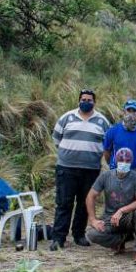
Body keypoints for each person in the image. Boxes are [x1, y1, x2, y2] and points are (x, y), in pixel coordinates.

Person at [50, 88, 111, 251]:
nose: (86, 102)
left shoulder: (102, 121)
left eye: (89, 100)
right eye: (83, 99)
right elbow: (56, 139)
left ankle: (79, 235)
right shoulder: (67, 117)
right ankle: (58, 238)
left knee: (85, 203)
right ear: (79, 100)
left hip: (90, 170)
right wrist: (70, 153)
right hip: (66, 168)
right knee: (64, 203)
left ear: (94, 102)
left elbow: (108, 144)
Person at [85, 148, 136, 264]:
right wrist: (93, 219)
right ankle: (121, 239)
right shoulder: (106, 176)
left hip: (129, 216)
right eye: (121, 160)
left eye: (127, 161)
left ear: (131, 162)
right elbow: (90, 196)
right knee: (92, 234)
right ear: (115, 160)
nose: (124, 163)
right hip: (110, 218)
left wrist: (122, 210)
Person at [103, 100, 136, 174]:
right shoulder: (113, 130)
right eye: (128, 110)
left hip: (135, 172)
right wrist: (114, 165)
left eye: (134, 111)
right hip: (116, 171)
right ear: (124, 112)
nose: (131, 114)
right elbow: (107, 152)